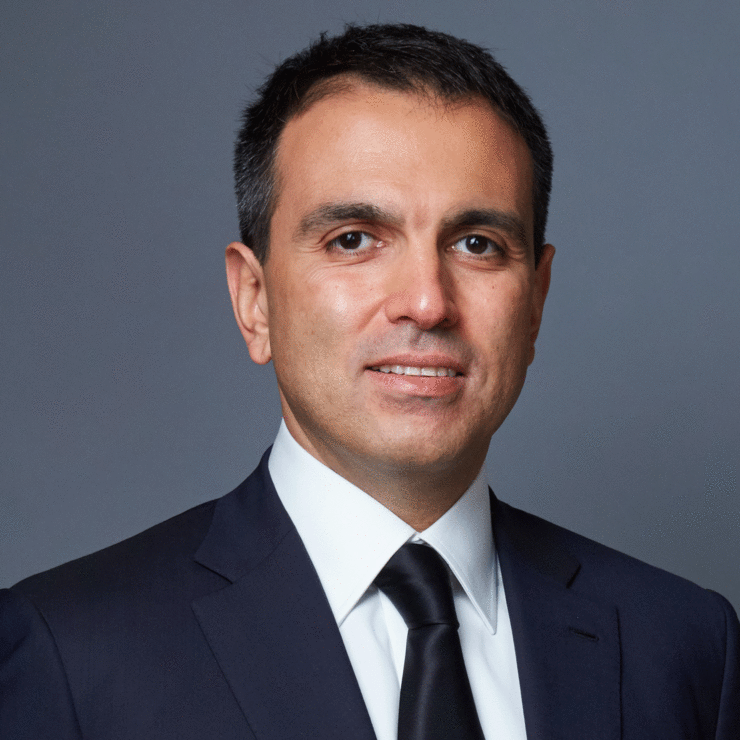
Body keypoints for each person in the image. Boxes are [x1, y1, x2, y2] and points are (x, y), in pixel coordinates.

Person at [1, 23, 737, 740]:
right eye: (353, 240)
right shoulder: (71, 652)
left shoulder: (686, 646)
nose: (427, 302)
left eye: (477, 244)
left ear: (536, 301)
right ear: (255, 300)